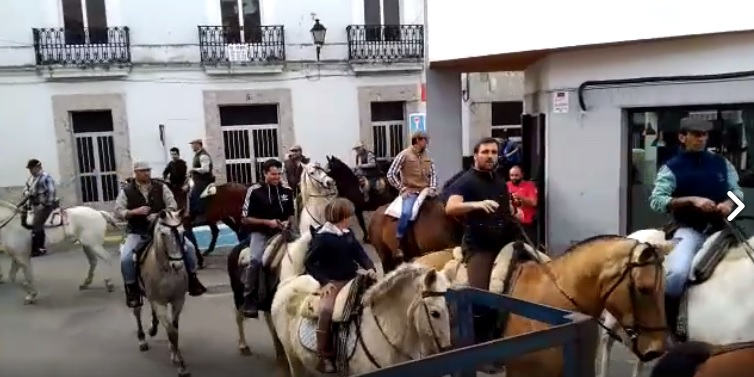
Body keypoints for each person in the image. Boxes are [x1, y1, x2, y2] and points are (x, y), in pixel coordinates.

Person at [649, 117, 743, 340]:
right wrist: (691, 200)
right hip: (689, 230)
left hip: (722, 231)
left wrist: (729, 205)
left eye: (704, 135)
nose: (701, 138)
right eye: (696, 134)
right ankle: (669, 329)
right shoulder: (671, 168)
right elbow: (657, 201)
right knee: (677, 274)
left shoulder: (722, 164)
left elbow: (738, 196)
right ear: (683, 137)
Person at [445, 137, 519, 347]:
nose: (490, 156)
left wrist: (514, 211)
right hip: (480, 245)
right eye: (485, 152)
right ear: (476, 155)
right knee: (481, 297)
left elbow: (504, 208)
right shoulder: (465, 181)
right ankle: (478, 345)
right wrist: (477, 205)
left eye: (494, 152)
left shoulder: (499, 179)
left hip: (507, 240)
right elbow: (450, 207)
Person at [114, 162, 207, 308]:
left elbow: (172, 205)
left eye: (148, 171)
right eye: (143, 171)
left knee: (189, 248)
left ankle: (193, 279)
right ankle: (132, 289)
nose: (146, 174)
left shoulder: (161, 187)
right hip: (138, 232)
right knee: (126, 258)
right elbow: (118, 212)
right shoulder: (127, 191)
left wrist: (159, 215)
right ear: (136, 173)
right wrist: (133, 212)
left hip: (163, 229)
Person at [304, 197, 376, 373]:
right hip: (333, 282)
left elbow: (359, 252)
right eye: (349, 216)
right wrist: (325, 282)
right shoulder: (322, 238)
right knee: (327, 310)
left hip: (353, 277)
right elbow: (310, 263)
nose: (351, 219)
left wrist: (370, 267)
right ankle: (323, 355)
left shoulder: (348, 233)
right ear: (341, 217)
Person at [238, 159, 295, 318]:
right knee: (256, 260)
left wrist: (287, 222)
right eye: (273, 174)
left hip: (283, 232)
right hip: (261, 233)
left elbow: (291, 214)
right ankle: (249, 298)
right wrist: (267, 222)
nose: (277, 177)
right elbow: (245, 218)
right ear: (265, 173)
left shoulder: (287, 190)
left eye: (279, 174)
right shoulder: (254, 191)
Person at [385, 130, 437, 258]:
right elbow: (390, 174)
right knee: (407, 213)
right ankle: (399, 240)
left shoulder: (428, 155)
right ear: (418, 140)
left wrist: (433, 187)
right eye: (425, 140)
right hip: (411, 191)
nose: (427, 142)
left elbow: (433, 173)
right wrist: (402, 188)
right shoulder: (404, 155)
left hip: (426, 190)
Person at [18, 159, 58, 257]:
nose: (30, 171)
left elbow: (51, 192)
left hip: (46, 205)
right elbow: (25, 189)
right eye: (30, 169)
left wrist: (44, 204)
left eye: (32, 168)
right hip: (33, 204)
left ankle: (39, 248)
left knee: (37, 223)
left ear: (37, 167)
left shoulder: (46, 178)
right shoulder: (31, 179)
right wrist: (27, 193)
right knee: (23, 219)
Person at [507, 165, 539, 244]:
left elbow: (533, 202)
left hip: (526, 223)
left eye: (516, 175)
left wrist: (520, 197)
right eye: (512, 175)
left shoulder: (529, 185)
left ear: (522, 175)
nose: (514, 177)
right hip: (511, 223)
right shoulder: (506, 185)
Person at [187, 139, 215, 224]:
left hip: (204, 180)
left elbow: (205, 169)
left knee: (195, 194)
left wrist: (193, 169)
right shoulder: (197, 155)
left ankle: (200, 215)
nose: (192, 146)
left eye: (193, 144)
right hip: (198, 180)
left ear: (198, 144)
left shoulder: (203, 156)